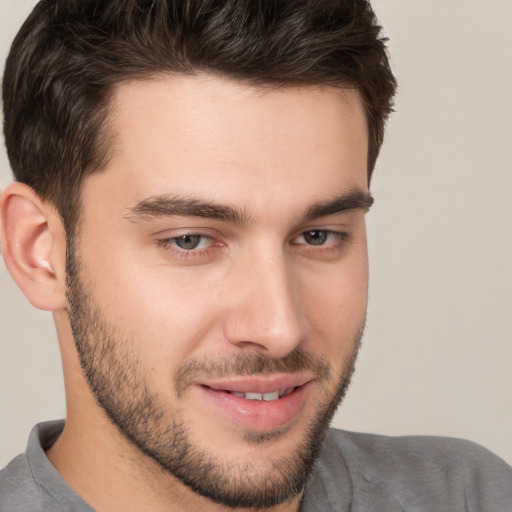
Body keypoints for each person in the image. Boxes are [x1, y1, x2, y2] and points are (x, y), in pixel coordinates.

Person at [0, 0, 510, 510]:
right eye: (190, 240)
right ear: (39, 250)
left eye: (318, 236)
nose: (279, 327)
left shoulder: (473, 495)